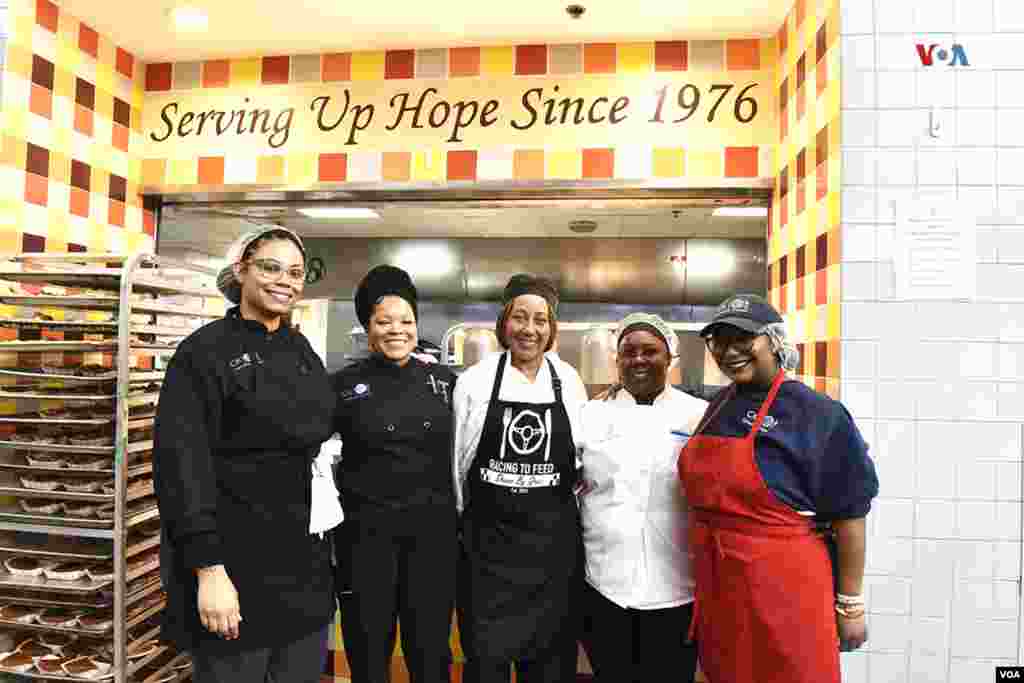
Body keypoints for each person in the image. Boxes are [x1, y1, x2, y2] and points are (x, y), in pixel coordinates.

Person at [154, 227, 336, 683]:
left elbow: (321, 435)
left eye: (295, 273)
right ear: (241, 271)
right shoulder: (204, 351)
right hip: (235, 568)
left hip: (302, 571)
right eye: (270, 268)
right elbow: (182, 465)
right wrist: (208, 571)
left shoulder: (301, 350)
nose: (285, 281)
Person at [678, 293, 879, 683]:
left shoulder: (818, 413)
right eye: (718, 339)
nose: (728, 350)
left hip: (786, 588)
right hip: (722, 585)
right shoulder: (720, 403)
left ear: (773, 341)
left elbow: (851, 514)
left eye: (743, 338)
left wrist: (850, 605)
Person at [453, 274, 588, 683]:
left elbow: (580, 461)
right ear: (503, 323)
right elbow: (458, 466)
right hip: (489, 559)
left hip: (552, 561)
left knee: (549, 669)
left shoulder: (568, 382)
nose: (530, 329)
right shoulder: (475, 382)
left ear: (551, 330)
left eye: (541, 321)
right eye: (520, 318)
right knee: (486, 666)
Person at [330, 265, 458, 683]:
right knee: (368, 651)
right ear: (368, 326)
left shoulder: (445, 382)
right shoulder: (342, 386)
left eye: (406, 321)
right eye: (384, 321)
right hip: (365, 542)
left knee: (430, 651)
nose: (397, 330)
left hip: (433, 542)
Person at [576, 313, 706, 683]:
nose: (638, 359)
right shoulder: (591, 414)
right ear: (617, 360)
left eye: (650, 351)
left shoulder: (697, 415)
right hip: (604, 586)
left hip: (677, 588)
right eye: (628, 352)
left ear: (670, 359)